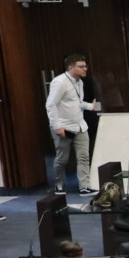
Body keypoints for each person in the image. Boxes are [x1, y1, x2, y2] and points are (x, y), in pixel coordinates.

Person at [45, 54, 99, 196]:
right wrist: (57, 126)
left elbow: (75, 102)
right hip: (64, 127)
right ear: (70, 68)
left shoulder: (79, 82)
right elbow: (51, 105)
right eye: (81, 66)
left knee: (83, 157)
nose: (85, 69)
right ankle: (58, 184)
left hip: (80, 125)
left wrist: (91, 106)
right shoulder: (60, 82)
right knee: (62, 159)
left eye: (85, 66)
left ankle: (85, 186)